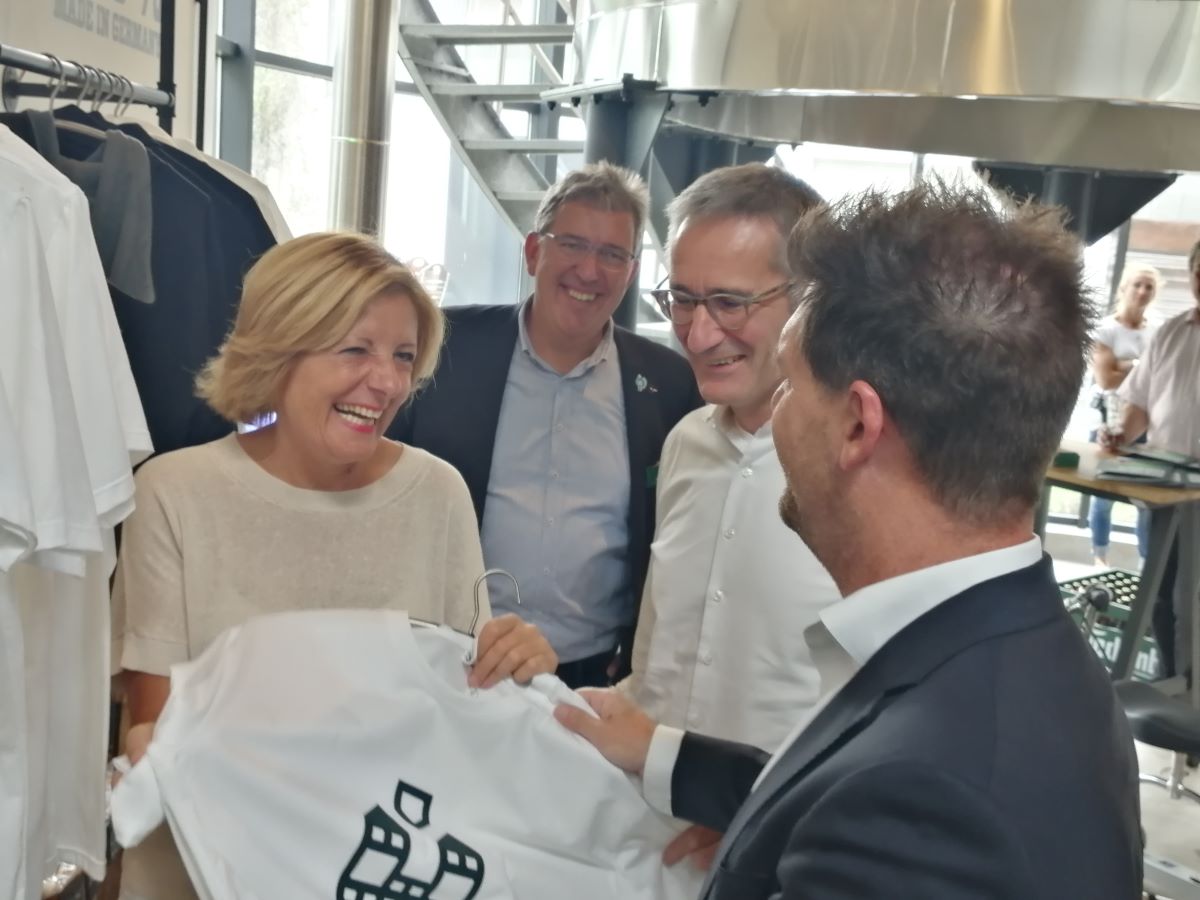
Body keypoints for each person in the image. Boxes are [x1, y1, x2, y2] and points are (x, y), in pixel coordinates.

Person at [556, 182, 1142, 899]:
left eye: (794, 389)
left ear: (859, 425)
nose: (777, 419)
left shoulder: (922, 804)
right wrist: (666, 757)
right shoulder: (1014, 656)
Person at [112, 232, 558, 900]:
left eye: (403, 356)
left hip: (374, 873)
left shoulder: (437, 495)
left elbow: (465, 720)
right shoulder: (173, 494)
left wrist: (515, 667)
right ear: (279, 348)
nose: (386, 382)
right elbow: (159, 730)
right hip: (207, 873)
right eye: (355, 349)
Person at [389, 162, 702, 689]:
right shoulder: (443, 346)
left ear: (630, 271)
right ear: (534, 251)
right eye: (573, 245)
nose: (590, 270)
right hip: (448, 655)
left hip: (591, 675)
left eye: (612, 255)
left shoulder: (667, 383)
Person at [619, 164, 839, 868]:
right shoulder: (684, 445)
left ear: (812, 300)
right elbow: (660, 658)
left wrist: (755, 812)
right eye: (681, 299)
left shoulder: (864, 476)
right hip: (641, 832)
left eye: (729, 302)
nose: (697, 332)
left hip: (785, 846)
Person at [1110, 239, 1200, 679]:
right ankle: (1171, 680)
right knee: (1161, 594)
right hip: (1164, 486)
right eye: (1199, 270)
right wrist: (1119, 437)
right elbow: (1141, 403)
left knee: (1194, 599)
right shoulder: (1169, 332)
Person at [1089, 264, 1159, 565]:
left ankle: (1147, 564)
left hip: (1146, 421)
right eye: (1137, 285)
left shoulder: (1158, 332)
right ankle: (1100, 559)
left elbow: (1161, 378)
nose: (1142, 292)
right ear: (1124, 288)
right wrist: (1140, 365)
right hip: (1109, 419)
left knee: (1146, 501)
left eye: (1149, 287)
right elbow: (1106, 380)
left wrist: (1124, 365)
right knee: (1102, 496)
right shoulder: (1106, 329)